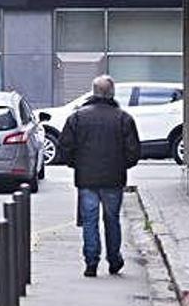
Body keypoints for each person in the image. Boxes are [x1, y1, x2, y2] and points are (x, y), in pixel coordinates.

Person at [59, 75, 141, 277]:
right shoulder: (123, 118)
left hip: (86, 178)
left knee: (90, 220)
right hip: (113, 178)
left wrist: (77, 165)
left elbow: (65, 148)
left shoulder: (77, 117)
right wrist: (121, 165)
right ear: (112, 93)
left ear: (93, 92)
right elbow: (133, 153)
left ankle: (91, 262)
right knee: (112, 219)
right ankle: (114, 259)